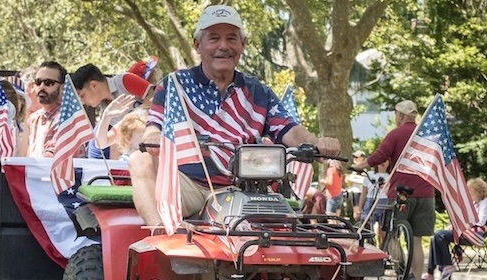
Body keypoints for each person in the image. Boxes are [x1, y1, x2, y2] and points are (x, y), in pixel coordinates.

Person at [128, 5, 340, 228]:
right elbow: (155, 126)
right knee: (139, 160)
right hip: (186, 184)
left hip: (241, 189)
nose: (223, 46)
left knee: (290, 231)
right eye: (214, 38)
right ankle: (160, 231)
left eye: (231, 38)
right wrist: (151, 138)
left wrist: (318, 144)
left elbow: (289, 129)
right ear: (197, 45)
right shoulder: (174, 84)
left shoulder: (259, 92)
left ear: (242, 45)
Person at [352, 99, 434, 278]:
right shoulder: (426, 135)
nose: (395, 117)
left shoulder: (396, 134)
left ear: (401, 115)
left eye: (396, 114)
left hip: (401, 192)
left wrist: (360, 166)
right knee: (417, 241)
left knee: (392, 234)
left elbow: (380, 156)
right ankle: (416, 277)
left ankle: (401, 271)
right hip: (426, 193)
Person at [71, 64, 153, 159]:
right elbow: (101, 144)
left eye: (82, 95)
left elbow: (154, 94)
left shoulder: (123, 81)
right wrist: (106, 116)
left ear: (93, 85)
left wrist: (135, 115)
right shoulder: (106, 108)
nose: (82, 102)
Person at [422, 178, 487, 280]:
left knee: (440, 236)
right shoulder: (470, 203)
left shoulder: (485, 202)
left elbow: (481, 221)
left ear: (477, 190)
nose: (468, 193)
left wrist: (462, 225)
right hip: (464, 231)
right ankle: (432, 272)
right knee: (435, 237)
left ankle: (446, 266)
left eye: (470, 190)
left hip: (476, 235)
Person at [28, 61, 67, 158]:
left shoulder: (66, 119)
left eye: (48, 83)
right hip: (36, 171)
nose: (41, 87)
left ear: (62, 88)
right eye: (38, 82)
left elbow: (50, 158)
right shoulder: (34, 118)